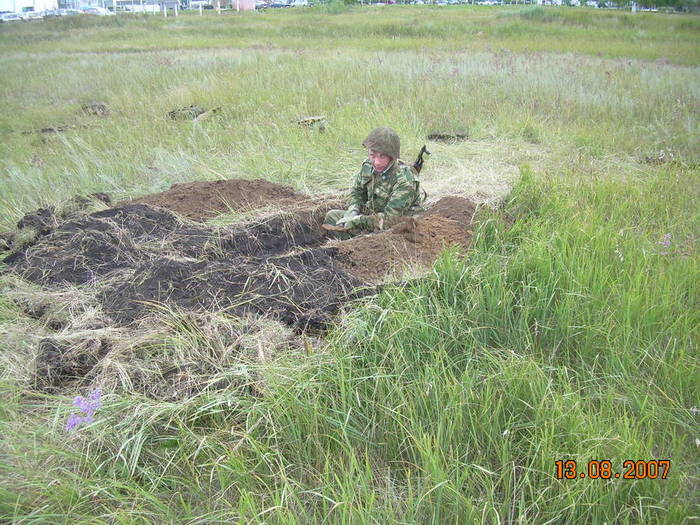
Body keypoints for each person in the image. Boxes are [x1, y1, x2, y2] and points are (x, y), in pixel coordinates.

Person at [324, 127, 424, 235]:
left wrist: (359, 220)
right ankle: (352, 244)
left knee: (383, 235)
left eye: (382, 156)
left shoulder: (405, 181)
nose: (376, 162)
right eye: (373, 155)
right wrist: (353, 211)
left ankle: (359, 244)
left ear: (392, 157)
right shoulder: (368, 166)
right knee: (332, 217)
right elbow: (357, 192)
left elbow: (389, 220)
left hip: (397, 226)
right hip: (373, 217)